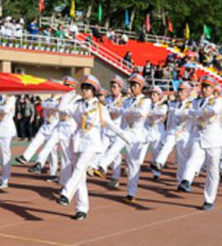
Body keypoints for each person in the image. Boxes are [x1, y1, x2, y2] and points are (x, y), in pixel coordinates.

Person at [56, 74, 129, 220]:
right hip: (77, 143)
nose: (85, 91)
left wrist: (127, 138)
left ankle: (66, 193)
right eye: (83, 87)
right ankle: (81, 209)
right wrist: (68, 91)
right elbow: (62, 108)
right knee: (80, 178)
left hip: (92, 144)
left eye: (88, 88)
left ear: (94, 90)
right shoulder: (77, 104)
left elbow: (111, 125)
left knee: (79, 169)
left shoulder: (100, 108)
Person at [93, 73, 151, 204]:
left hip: (137, 135)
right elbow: (117, 110)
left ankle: (131, 193)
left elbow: (141, 113)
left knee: (133, 166)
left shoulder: (145, 100)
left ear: (141, 87)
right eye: (131, 85)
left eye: (135, 85)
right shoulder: (127, 101)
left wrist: (126, 111)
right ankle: (102, 166)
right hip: (126, 131)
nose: (133, 87)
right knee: (115, 146)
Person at [177, 77, 222, 211]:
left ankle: (209, 199)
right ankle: (186, 181)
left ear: (213, 89)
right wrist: (190, 135)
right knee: (193, 157)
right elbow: (186, 116)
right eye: (203, 87)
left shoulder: (217, 100)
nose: (204, 89)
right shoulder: (196, 101)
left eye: (207, 87)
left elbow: (212, 111)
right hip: (199, 135)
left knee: (212, 170)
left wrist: (194, 113)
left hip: (213, 139)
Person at [28, 77, 79, 185]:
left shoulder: (77, 98)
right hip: (59, 126)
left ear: (74, 87)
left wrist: (58, 105)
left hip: (69, 129)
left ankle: (64, 183)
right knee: (48, 145)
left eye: (68, 85)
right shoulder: (61, 96)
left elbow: (64, 108)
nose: (65, 87)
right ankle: (39, 163)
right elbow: (48, 105)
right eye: (65, 85)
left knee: (66, 157)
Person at [15, 95, 59, 181]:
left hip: (54, 129)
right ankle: (25, 157)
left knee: (52, 153)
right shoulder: (48, 100)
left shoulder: (62, 101)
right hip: (45, 126)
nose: (53, 93)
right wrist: (52, 101)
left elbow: (57, 107)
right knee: (35, 142)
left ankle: (53, 175)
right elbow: (43, 104)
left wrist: (54, 101)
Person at [143, 87, 168, 181]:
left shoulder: (163, 106)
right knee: (140, 147)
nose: (152, 96)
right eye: (151, 94)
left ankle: (156, 174)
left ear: (159, 96)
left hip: (158, 132)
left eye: (154, 94)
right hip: (147, 130)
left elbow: (161, 112)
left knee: (155, 152)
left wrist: (149, 113)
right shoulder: (148, 105)